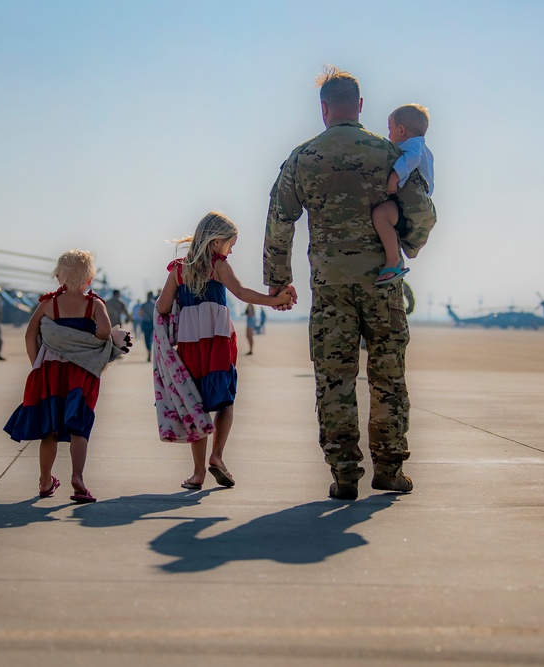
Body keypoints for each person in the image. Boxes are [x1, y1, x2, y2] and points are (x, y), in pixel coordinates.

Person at [264, 65, 437, 500]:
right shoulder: (387, 153)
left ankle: (344, 473)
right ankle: (390, 469)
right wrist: (406, 247)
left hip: (330, 288)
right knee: (388, 376)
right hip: (382, 284)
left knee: (334, 380)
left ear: (323, 109)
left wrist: (278, 282)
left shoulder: (303, 157)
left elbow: (280, 218)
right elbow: (422, 211)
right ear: (360, 106)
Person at [156, 211, 293, 491]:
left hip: (190, 345)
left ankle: (197, 474)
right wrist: (274, 300)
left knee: (196, 405)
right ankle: (217, 456)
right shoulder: (218, 266)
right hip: (218, 341)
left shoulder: (178, 270)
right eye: (232, 242)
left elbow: (161, 306)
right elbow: (241, 293)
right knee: (226, 400)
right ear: (216, 242)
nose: (233, 247)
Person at [4, 249, 130, 503]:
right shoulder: (94, 304)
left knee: (50, 430)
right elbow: (105, 332)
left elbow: (30, 335)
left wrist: (36, 364)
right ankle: (78, 478)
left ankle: (44, 481)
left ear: (59, 276)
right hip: (80, 375)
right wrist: (87, 344)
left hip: (50, 373)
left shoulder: (48, 304)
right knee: (78, 427)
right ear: (89, 279)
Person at [371, 103, 435, 284]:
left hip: (414, 205)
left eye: (390, 129)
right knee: (387, 218)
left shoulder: (414, 146)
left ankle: (393, 260)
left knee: (380, 215)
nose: (388, 135)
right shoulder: (425, 149)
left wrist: (394, 177)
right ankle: (395, 260)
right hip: (421, 208)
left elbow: (412, 159)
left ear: (401, 130)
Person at [134, 292, 156, 362]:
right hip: (152, 323)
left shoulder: (143, 305)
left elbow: (140, 314)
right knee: (153, 338)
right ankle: (152, 351)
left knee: (146, 338)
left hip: (145, 323)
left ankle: (148, 351)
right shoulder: (154, 304)